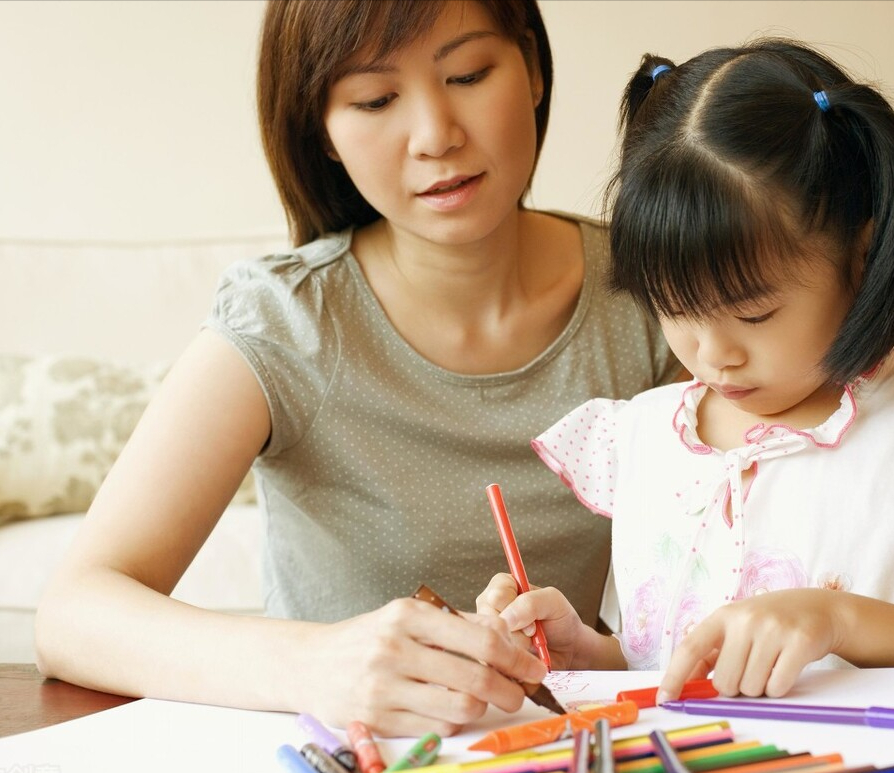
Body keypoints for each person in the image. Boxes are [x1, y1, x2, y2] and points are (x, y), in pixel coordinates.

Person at [34, 0, 680, 736]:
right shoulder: (287, 320)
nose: (436, 135)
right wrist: (314, 663)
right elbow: (73, 612)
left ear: (531, 68)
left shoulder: (652, 294)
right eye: (375, 99)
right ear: (323, 132)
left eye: (467, 73)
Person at [479, 37, 894, 704]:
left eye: (754, 314)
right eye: (675, 309)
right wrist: (585, 652)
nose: (712, 354)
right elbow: (665, 668)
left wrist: (838, 619)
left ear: (862, 250)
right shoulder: (641, 436)